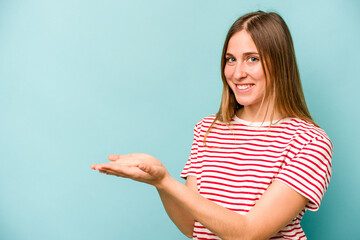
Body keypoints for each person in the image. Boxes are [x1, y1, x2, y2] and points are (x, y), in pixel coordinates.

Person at [90, 11, 333, 240]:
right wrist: (159, 183)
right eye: (231, 59)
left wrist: (167, 182)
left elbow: (248, 233)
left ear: (280, 64)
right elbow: (192, 226)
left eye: (252, 59)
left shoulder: (309, 142)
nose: (237, 73)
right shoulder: (208, 129)